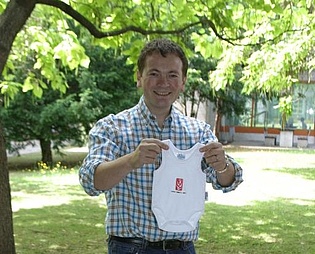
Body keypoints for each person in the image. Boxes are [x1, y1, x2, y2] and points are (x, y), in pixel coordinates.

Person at [79, 38, 244, 254]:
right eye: (154, 73)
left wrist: (222, 165)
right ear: (140, 77)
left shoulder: (199, 132)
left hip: (182, 249)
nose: (163, 83)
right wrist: (130, 161)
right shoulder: (112, 128)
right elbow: (90, 181)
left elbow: (228, 181)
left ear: (183, 81)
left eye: (172, 75)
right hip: (130, 248)